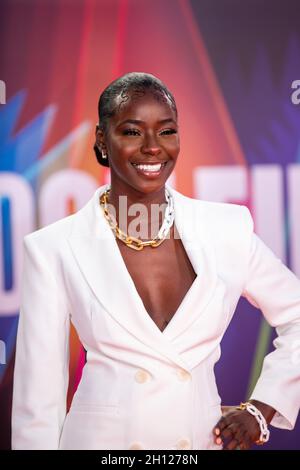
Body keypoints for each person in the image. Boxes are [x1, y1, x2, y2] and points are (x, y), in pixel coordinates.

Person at [12, 72, 300, 450]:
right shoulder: (53, 248)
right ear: (102, 139)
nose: (153, 148)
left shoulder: (226, 229)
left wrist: (262, 408)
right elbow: (39, 403)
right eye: (132, 132)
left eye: (166, 131)